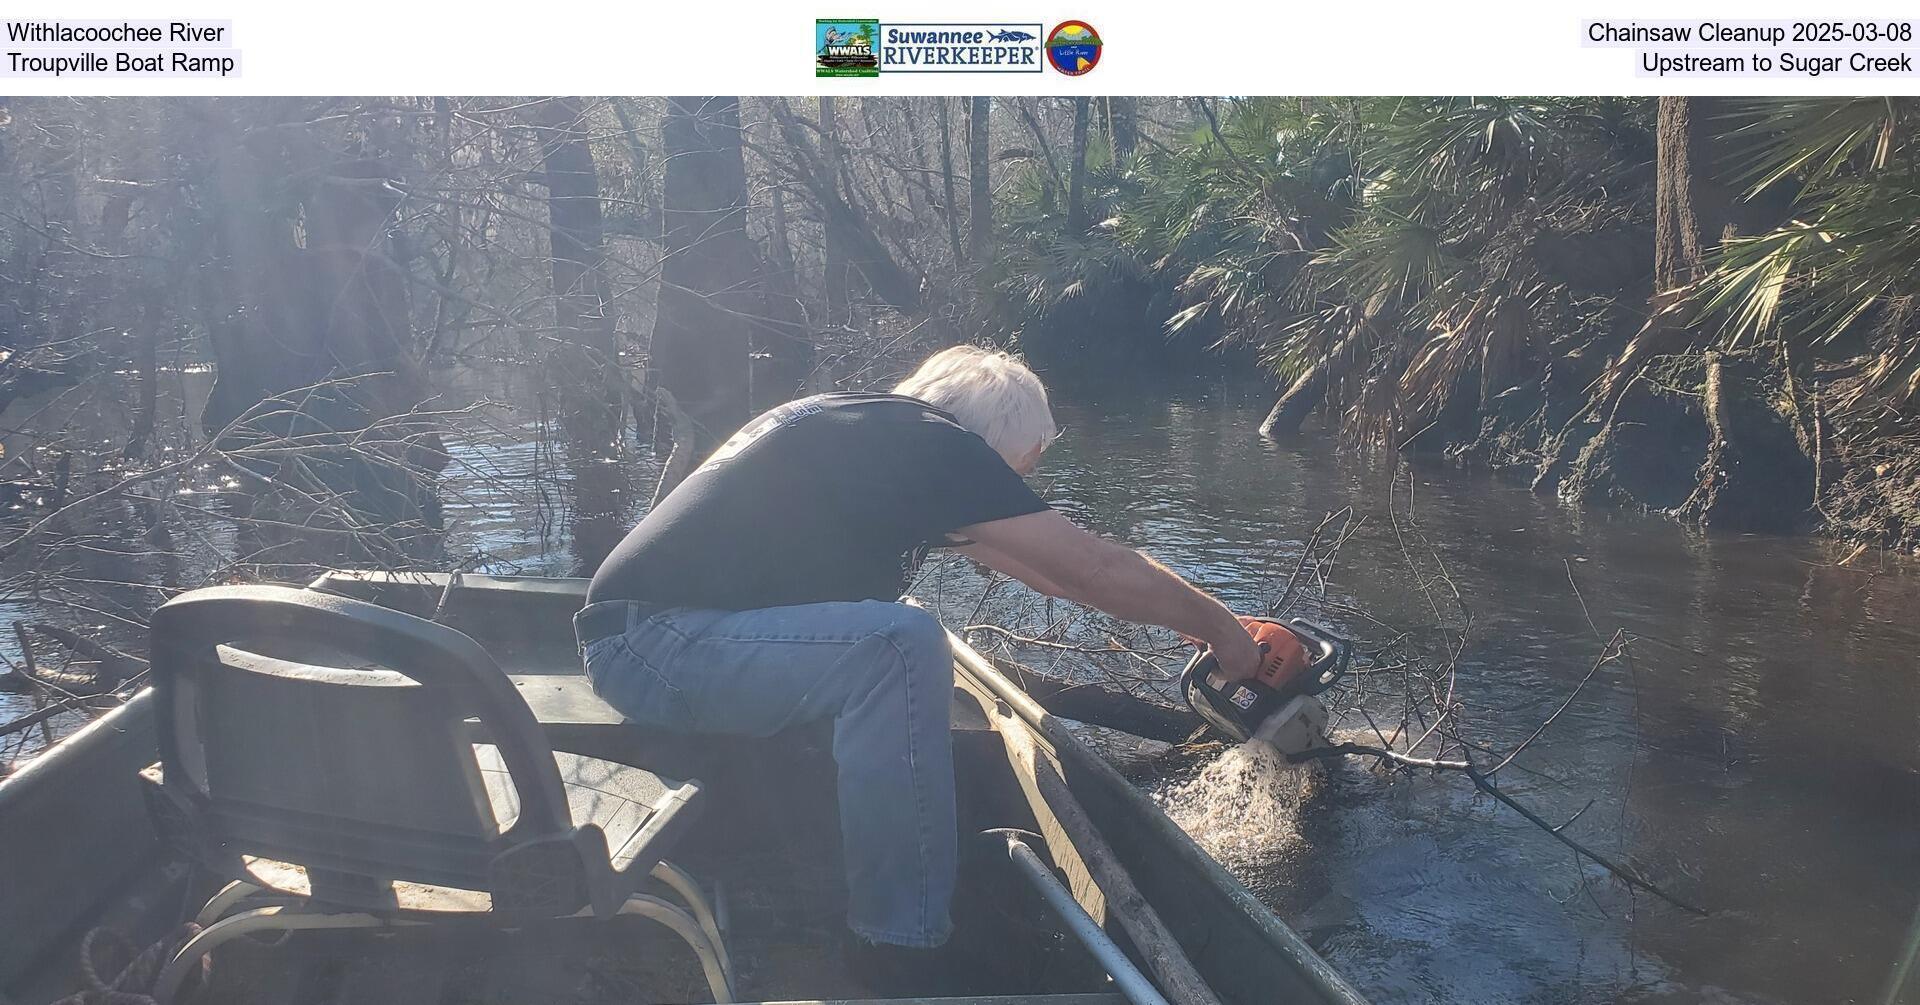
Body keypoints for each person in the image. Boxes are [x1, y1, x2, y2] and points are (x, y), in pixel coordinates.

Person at [575, 345, 1263, 957]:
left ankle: (871, 882)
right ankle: (900, 936)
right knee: (901, 645)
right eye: (1026, 464)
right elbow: (1093, 568)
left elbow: (1057, 574)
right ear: (992, 437)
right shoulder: (931, 444)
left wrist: (1196, 619)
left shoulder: (876, 434)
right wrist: (1227, 632)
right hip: (655, 646)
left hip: (660, 640)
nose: (1024, 483)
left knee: (896, 633)